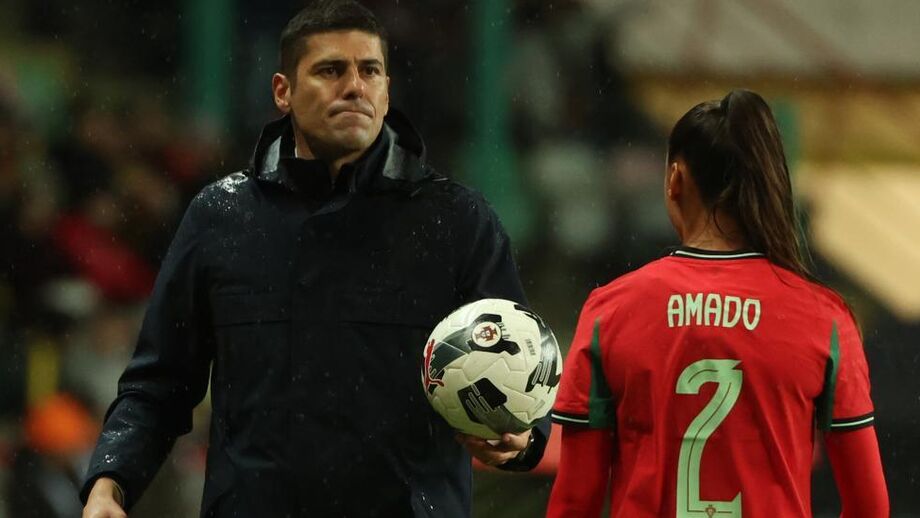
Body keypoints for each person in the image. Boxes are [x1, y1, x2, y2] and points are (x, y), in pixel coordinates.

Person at [80, 1, 548, 517]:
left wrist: (525, 439)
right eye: (330, 70)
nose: (354, 86)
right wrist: (110, 481)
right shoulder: (220, 218)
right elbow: (160, 382)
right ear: (283, 91)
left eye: (369, 71)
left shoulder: (457, 221)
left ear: (387, 91)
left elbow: (521, 360)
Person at [546, 90, 888, 517]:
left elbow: (576, 502)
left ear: (675, 179)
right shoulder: (825, 318)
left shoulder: (610, 311)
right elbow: (869, 506)